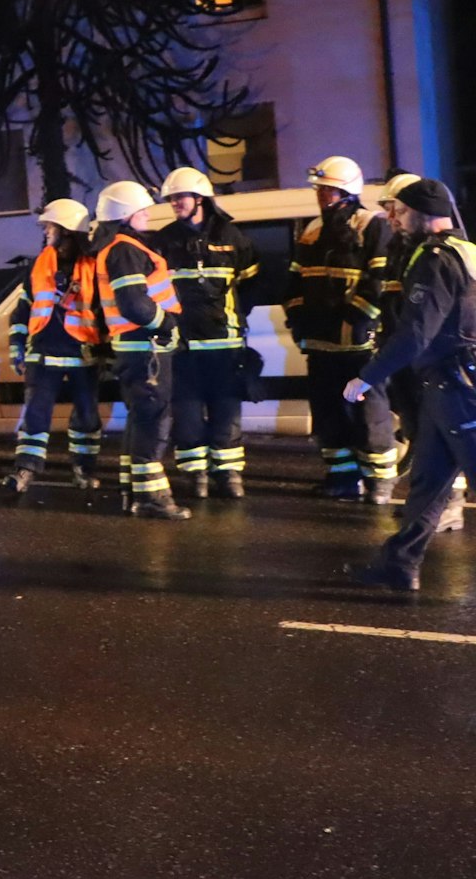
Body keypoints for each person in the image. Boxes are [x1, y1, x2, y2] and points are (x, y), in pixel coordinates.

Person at [342, 178, 476, 593]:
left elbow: (416, 332)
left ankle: (399, 563)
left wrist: (367, 376)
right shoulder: (465, 250)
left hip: (457, 385)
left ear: (421, 214)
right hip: (448, 383)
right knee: (429, 480)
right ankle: (399, 563)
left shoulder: (434, 258)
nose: (392, 218)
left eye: (399, 212)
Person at [285, 155, 398, 502]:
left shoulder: (372, 226)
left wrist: (354, 319)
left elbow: (379, 281)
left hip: (358, 348)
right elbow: (293, 283)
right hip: (321, 346)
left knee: (368, 415)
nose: (321, 197)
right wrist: (297, 319)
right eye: (320, 191)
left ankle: (379, 482)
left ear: (347, 193)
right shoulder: (311, 232)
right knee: (329, 414)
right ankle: (341, 477)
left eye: (328, 191)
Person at [156, 167, 261, 499]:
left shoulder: (231, 236)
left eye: (179, 197)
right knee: (186, 412)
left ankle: (228, 473)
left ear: (199, 198)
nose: (174, 203)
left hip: (225, 342)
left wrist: (233, 314)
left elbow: (253, 282)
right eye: (171, 199)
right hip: (183, 344)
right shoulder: (164, 240)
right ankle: (196, 475)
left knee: (226, 410)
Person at [93, 181, 189, 520]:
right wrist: (168, 323)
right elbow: (135, 304)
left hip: (137, 348)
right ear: (124, 215)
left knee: (141, 416)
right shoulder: (125, 250)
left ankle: (133, 490)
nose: (147, 213)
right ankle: (152, 499)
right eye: (141, 209)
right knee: (153, 417)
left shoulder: (120, 248)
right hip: (145, 347)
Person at [4, 199, 105, 496]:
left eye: (50, 226)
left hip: (83, 353)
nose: (46, 232)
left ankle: (84, 468)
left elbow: (104, 310)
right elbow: (22, 309)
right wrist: (16, 347)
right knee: (35, 415)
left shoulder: (94, 264)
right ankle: (25, 469)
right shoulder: (39, 263)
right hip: (43, 353)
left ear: (67, 230)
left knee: (86, 417)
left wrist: (107, 352)